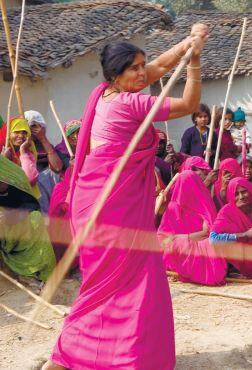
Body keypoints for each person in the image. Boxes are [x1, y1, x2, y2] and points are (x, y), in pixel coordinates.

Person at [44, 24, 209, 370]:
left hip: (93, 199)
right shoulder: (130, 103)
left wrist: (186, 44)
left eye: (141, 65)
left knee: (102, 287)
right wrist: (195, 59)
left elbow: (159, 67)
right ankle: (117, 357)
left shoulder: (102, 93)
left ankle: (70, 357)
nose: (141, 73)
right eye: (134, 68)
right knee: (135, 284)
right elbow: (191, 103)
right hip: (111, 204)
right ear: (117, 75)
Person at [0, 155, 56, 288]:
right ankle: (22, 274)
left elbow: (31, 205)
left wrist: (11, 216)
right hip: (5, 237)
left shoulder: (17, 182)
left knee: (36, 218)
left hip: (22, 225)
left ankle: (43, 274)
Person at [210, 177, 252, 278]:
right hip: (239, 261)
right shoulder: (227, 212)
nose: (241, 197)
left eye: (244, 192)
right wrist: (244, 235)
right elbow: (213, 239)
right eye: (236, 194)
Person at [2, 117, 41, 199]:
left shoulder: (28, 153)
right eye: (16, 132)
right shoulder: (2, 152)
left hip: (24, 202)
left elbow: (30, 180)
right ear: (7, 133)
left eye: (24, 132)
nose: (21, 136)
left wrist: (23, 151)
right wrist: (4, 161)